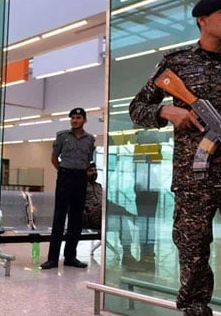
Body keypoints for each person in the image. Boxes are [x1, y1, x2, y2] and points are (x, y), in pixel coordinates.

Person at [128, 0, 221, 316]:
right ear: (202, 20)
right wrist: (167, 111)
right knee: (193, 262)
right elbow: (136, 108)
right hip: (193, 181)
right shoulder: (177, 63)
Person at [40, 107, 95, 270]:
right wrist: (64, 171)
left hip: (80, 179)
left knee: (76, 219)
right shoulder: (62, 136)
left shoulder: (90, 140)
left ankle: (70, 257)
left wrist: (79, 173)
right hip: (65, 177)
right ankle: (52, 259)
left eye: (78, 118)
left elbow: (88, 160)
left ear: (84, 120)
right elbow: (54, 158)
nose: (75, 120)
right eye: (72, 118)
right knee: (59, 218)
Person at [82, 163, 155, 272]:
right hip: (90, 216)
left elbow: (106, 202)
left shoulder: (98, 186)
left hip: (101, 215)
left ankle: (127, 254)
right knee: (106, 206)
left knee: (121, 219)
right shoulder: (80, 186)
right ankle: (131, 217)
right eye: (90, 170)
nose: (94, 172)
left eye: (95, 170)